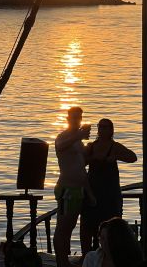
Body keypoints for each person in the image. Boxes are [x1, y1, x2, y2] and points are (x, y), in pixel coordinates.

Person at [80, 118, 137, 256]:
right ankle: (86, 256)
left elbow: (132, 157)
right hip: (92, 192)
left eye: (106, 127)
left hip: (110, 193)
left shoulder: (114, 146)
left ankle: (111, 255)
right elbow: (81, 163)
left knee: (111, 226)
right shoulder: (91, 146)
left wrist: (116, 156)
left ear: (111, 130)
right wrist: (91, 158)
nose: (102, 129)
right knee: (87, 225)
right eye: (100, 127)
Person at [54, 106, 95, 267]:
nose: (77, 120)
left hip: (79, 190)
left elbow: (81, 164)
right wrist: (77, 135)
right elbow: (60, 146)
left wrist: (91, 148)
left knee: (70, 227)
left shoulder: (77, 141)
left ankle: (65, 260)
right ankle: (61, 262)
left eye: (79, 117)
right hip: (67, 190)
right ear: (68, 119)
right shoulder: (63, 137)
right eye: (74, 117)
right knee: (62, 228)